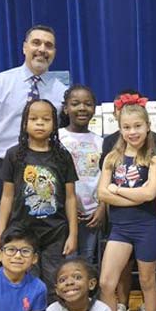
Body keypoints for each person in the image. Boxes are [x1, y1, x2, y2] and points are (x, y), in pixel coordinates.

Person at [0, 25, 67, 272]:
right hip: (3, 172)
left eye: (49, 45)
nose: (42, 49)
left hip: (45, 173)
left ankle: (40, 307)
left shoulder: (61, 90)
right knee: (4, 245)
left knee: (41, 247)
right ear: (24, 48)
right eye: (36, 43)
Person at [97, 94, 156, 311]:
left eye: (137, 126)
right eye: (127, 127)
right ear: (120, 128)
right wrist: (131, 195)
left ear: (147, 127)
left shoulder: (153, 160)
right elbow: (102, 193)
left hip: (147, 226)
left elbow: (150, 194)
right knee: (106, 281)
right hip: (121, 228)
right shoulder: (112, 159)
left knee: (147, 280)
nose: (132, 132)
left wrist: (118, 191)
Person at [0, 99, 78, 295]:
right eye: (33, 119)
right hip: (22, 230)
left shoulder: (62, 156)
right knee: (25, 280)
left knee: (53, 280)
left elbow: (70, 198)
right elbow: (7, 197)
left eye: (46, 119)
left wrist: (73, 234)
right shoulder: (14, 155)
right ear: (25, 123)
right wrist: (1, 232)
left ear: (55, 124)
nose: (39, 123)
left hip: (54, 231)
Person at [59, 85, 104, 266]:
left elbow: (105, 178)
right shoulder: (57, 138)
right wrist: (66, 206)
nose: (82, 108)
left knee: (87, 262)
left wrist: (102, 208)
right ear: (65, 108)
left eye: (88, 104)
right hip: (64, 213)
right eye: (75, 104)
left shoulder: (101, 142)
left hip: (92, 215)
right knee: (65, 261)